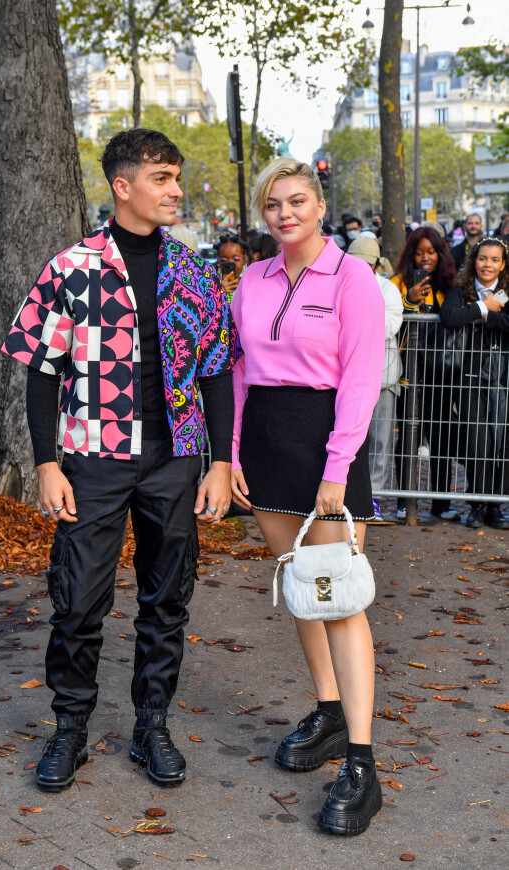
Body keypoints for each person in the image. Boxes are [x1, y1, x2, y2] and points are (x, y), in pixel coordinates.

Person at [2, 128, 235, 792]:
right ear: (123, 185)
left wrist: (219, 463)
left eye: (176, 177)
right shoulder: (72, 267)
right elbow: (41, 371)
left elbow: (216, 370)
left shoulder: (193, 269)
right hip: (92, 459)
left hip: (176, 460)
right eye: (162, 177)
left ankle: (149, 728)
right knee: (77, 600)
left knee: (168, 601)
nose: (175, 189)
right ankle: (69, 729)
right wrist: (46, 464)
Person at [231, 157, 385, 836]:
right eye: (272, 204)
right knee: (301, 587)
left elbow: (361, 377)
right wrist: (231, 453)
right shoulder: (254, 280)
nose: (284, 213)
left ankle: (361, 759)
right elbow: (239, 370)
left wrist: (337, 468)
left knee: (339, 597)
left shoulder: (354, 278)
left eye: (296, 201)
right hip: (265, 442)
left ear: (321, 206)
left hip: (328, 445)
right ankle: (325, 710)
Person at [440, 238, 509, 530]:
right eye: (483, 259)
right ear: (474, 261)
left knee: (502, 443)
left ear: (503, 265)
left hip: (504, 380)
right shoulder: (460, 291)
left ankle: (497, 505)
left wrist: (487, 316)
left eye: (495, 260)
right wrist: (482, 306)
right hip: (470, 380)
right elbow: (449, 318)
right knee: (477, 442)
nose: (488, 265)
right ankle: (477, 506)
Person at [391, 226, 459, 521]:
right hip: (407, 375)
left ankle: (441, 504)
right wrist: (410, 301)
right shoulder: (397, 284)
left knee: (441, 439)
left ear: (440, 253)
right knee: (407, 438)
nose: (424, 258)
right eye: (419, 253)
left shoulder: (450, 287)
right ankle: (406, 501)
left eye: (430, 252)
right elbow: (389, 321)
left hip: (440, 376)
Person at [348, 234, 403, 522]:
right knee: (349, 439)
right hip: (347, 377)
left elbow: (392, 323)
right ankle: (351, 496)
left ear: (376, 265)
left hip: (382, 376)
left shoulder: (387, 288)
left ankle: (375, 497)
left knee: (381, 441)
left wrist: (358, 324)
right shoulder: (340, 283)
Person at [215, 233, 249, 303]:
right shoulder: (211, 284)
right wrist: (218, 293)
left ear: (245, 259)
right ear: (218, 260)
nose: (230, 263)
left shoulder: (250, 283)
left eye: (236, 259)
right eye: (224, 260)